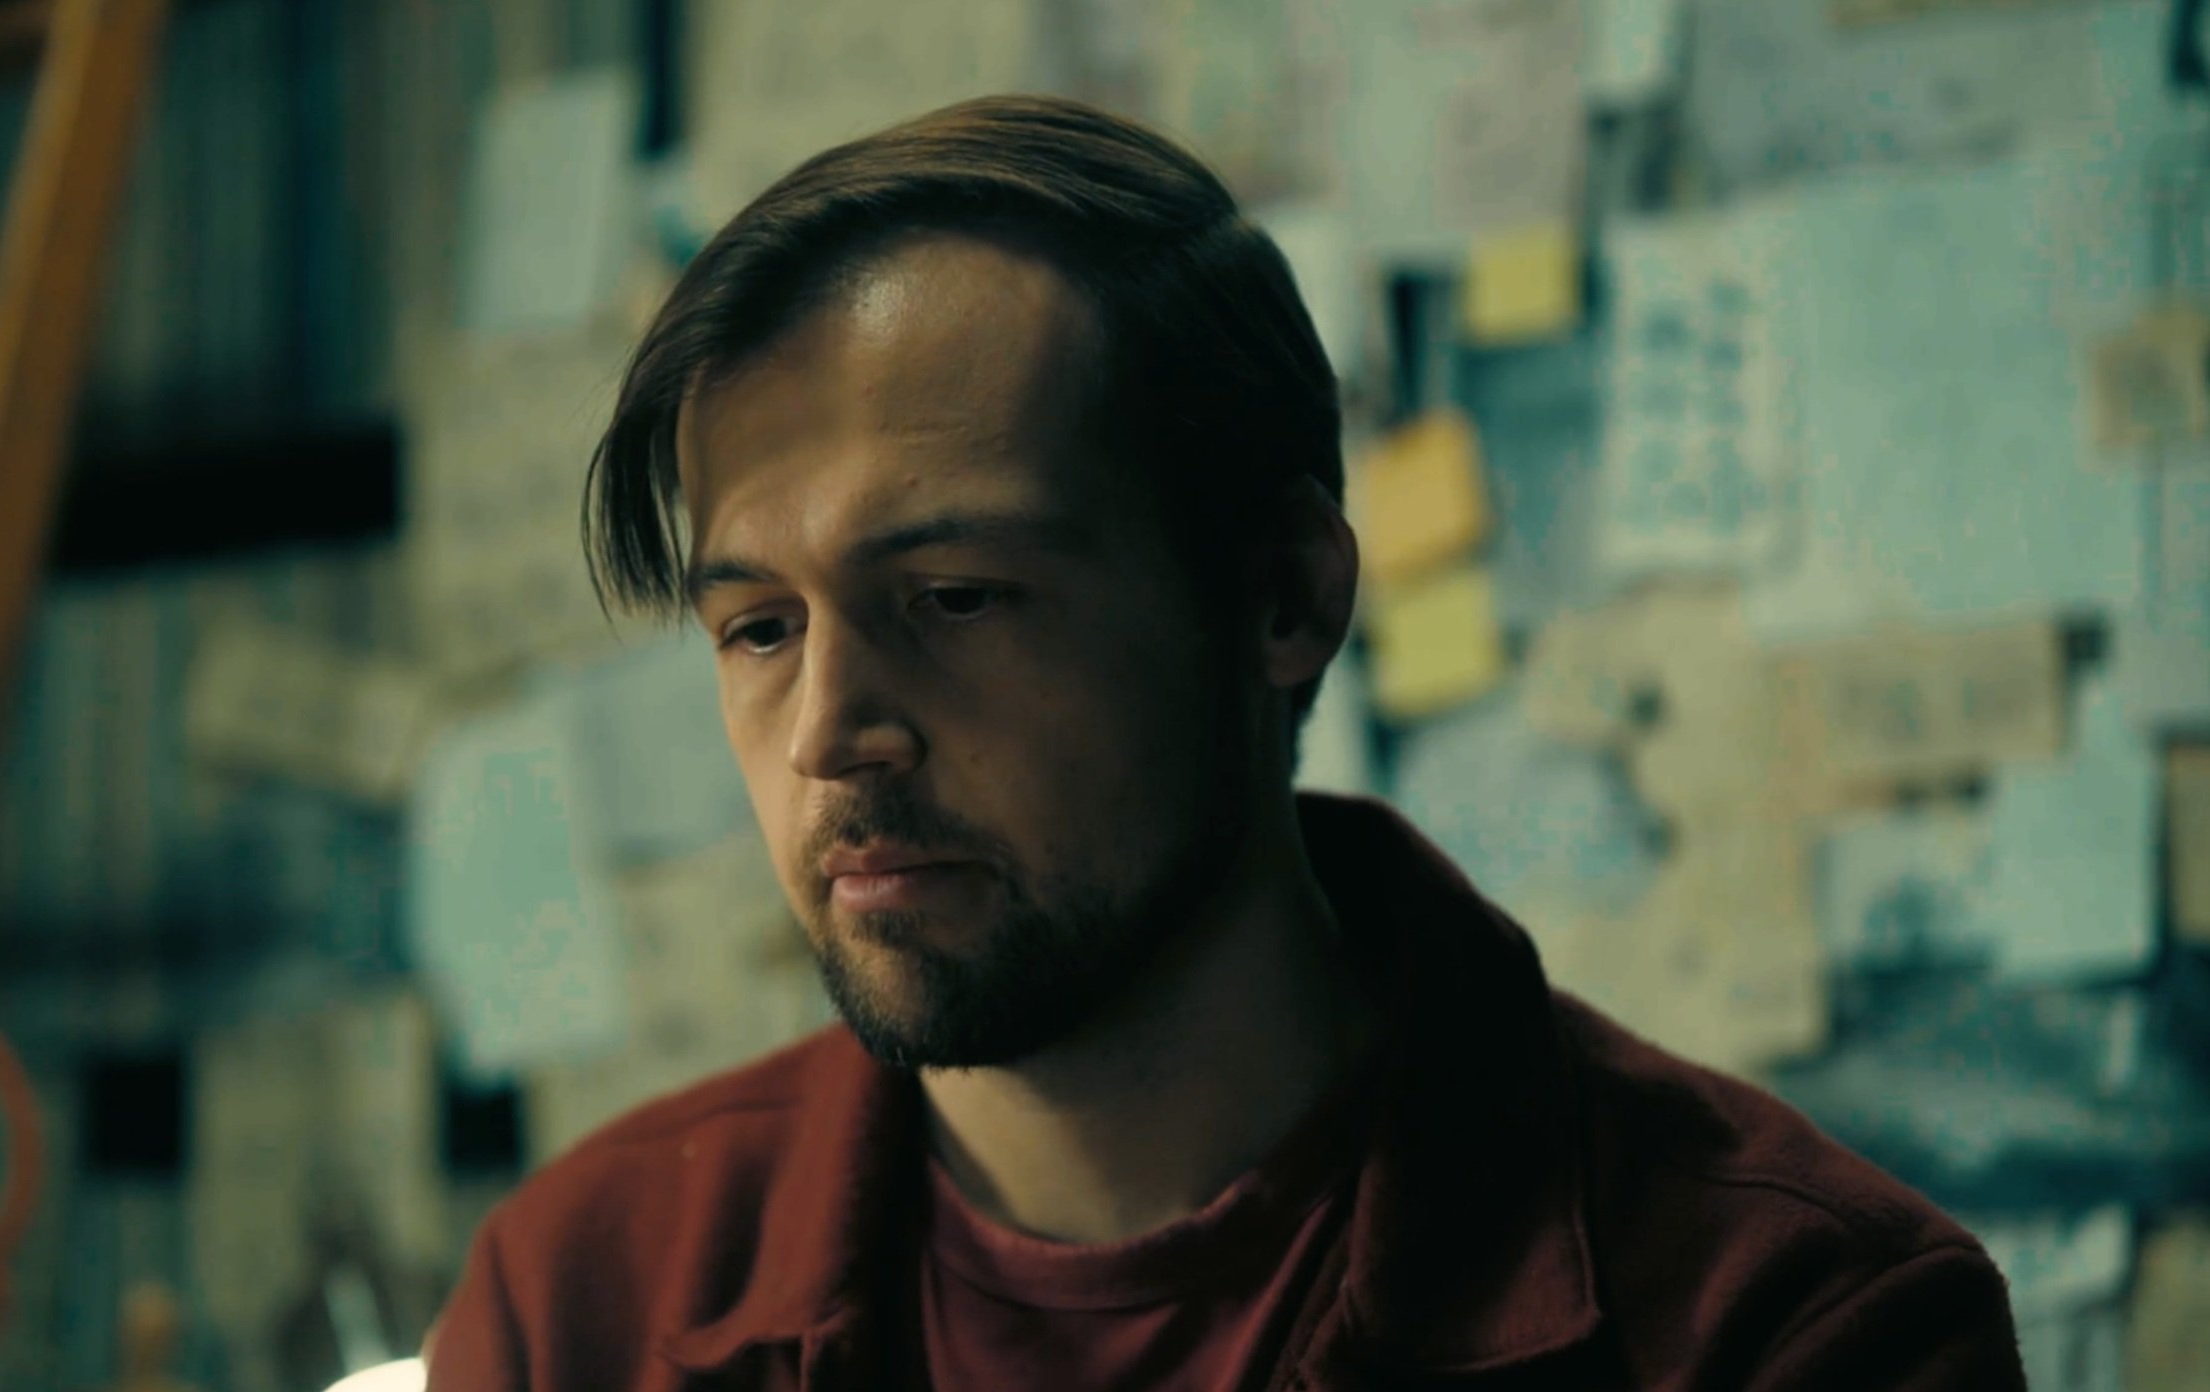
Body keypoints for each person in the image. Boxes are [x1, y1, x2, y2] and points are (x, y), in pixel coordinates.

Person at [423, 96, 2025, 1391]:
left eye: (957, 597)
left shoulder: (1788, 1327)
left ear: (1283, 597)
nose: (831, 733)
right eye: (760, 628)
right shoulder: (583, 1308)